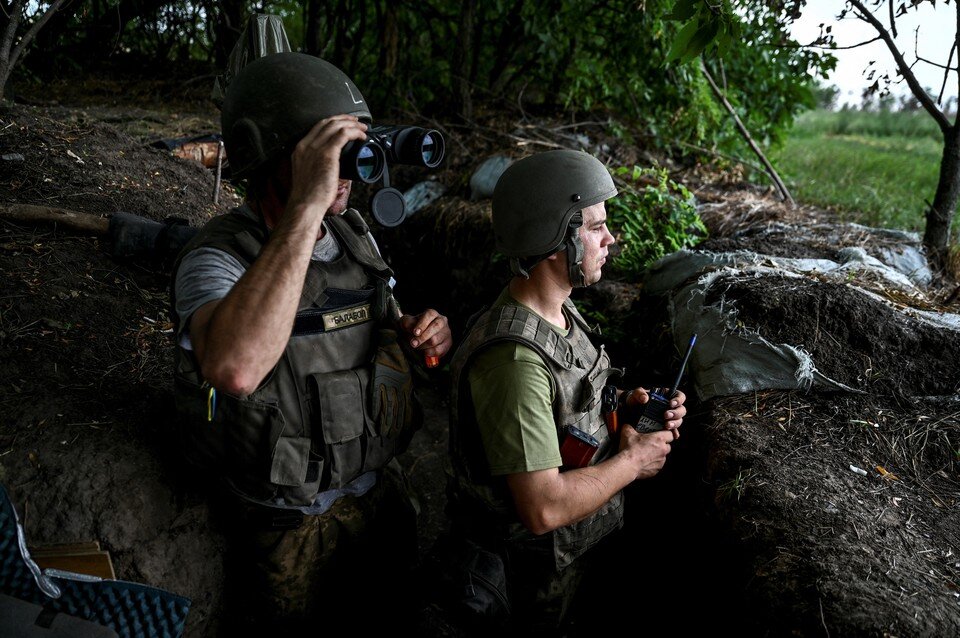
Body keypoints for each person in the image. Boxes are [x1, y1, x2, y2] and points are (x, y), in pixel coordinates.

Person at [170, 52, 452, 633]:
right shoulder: (216, 258)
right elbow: (235, 370)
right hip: (285, 525)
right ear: (277, 158)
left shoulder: (353, 236)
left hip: (377, 495)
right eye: (328, 155)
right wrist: (306, 203)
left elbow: (386, 326)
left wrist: (422, 331)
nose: (344, 172)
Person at [445, 149, 687, 635]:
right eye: (595, 226)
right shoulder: (514, 362)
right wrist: (633, 463)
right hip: (530, 579)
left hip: (570, 558)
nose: (610, 238)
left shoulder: (558, 309)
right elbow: (543, 507)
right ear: (555, 239)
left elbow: (568, 404)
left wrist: (626, 407)